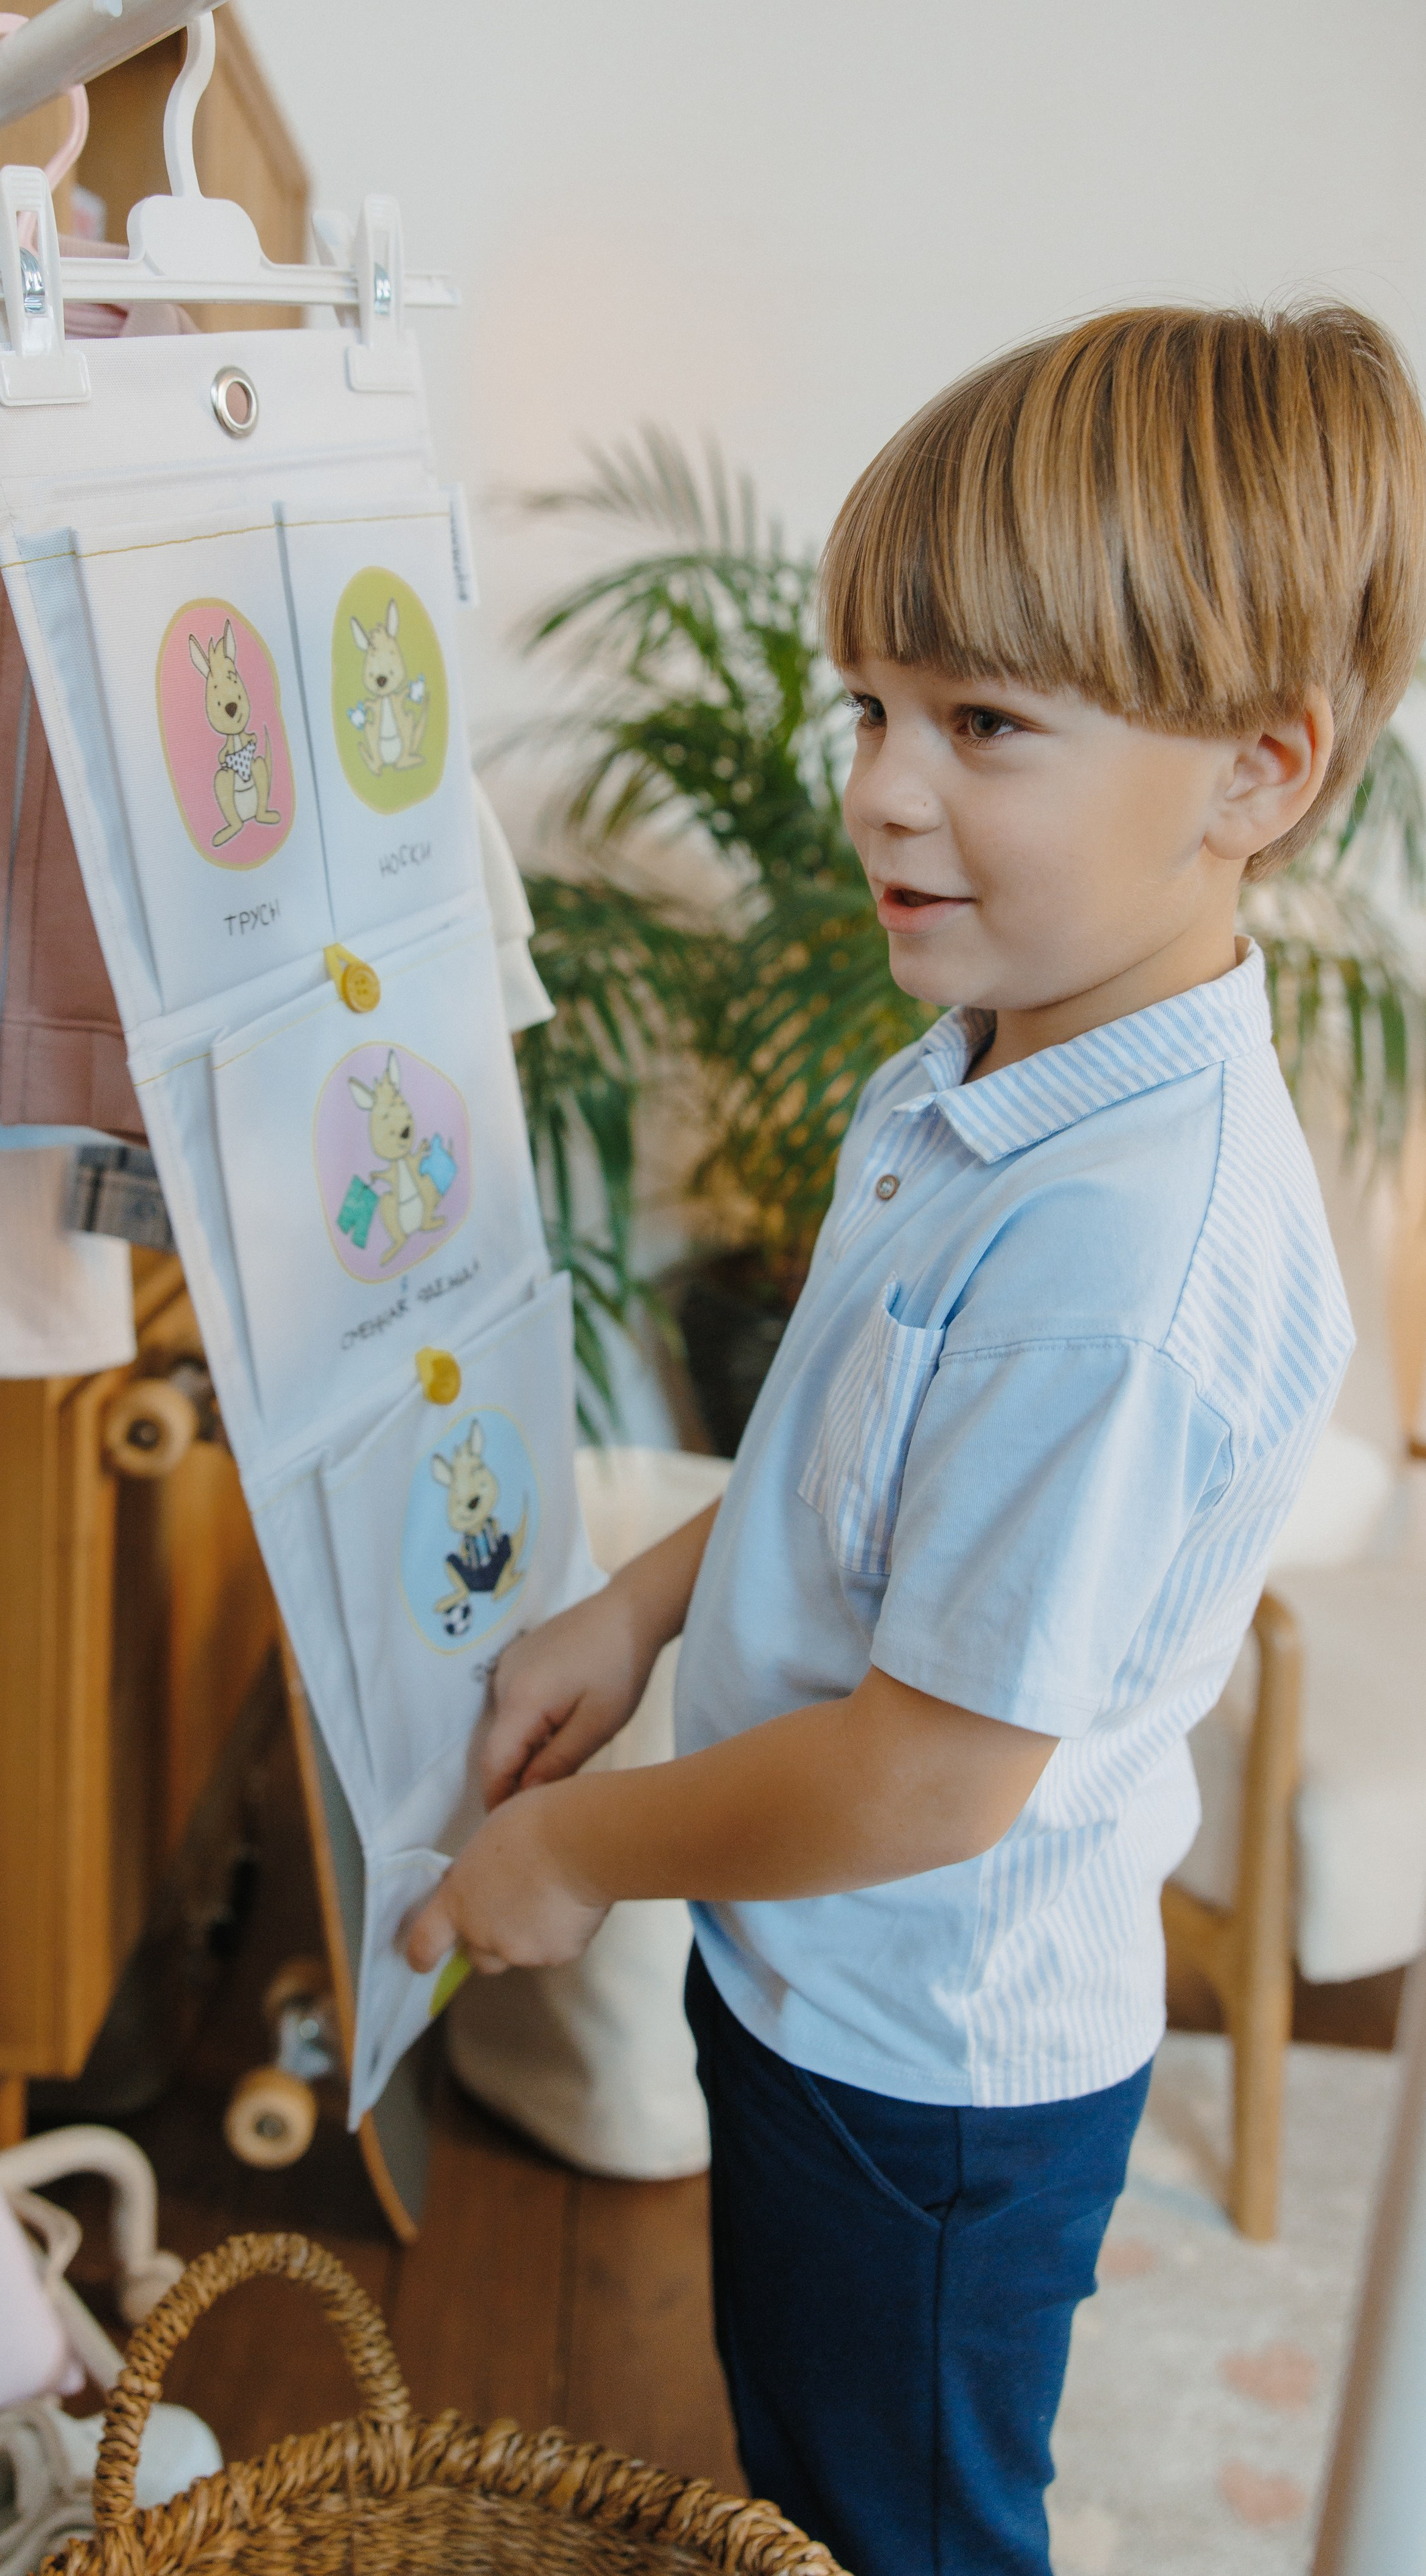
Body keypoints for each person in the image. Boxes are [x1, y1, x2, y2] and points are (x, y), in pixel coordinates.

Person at [406, 304, 1426, 2574]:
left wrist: (575, 1854)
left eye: (983, 723)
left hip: (928, 2072)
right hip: (816, 1981)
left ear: (1258, 772)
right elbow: (842, 1445)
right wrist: (634, 1603)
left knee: (902, 2526)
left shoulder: (1126, 1259)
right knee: (806, 2465)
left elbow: (925, 1777)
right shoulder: (988, 1047)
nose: (877, 782)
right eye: (869, 701)